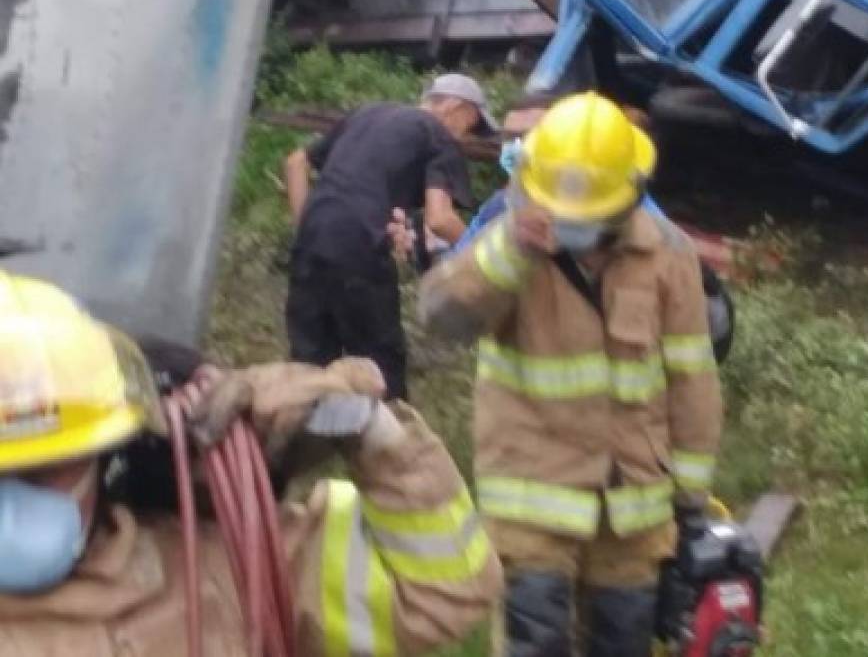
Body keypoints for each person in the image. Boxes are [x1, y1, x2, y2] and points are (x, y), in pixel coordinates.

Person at [0, 270, 501, 656]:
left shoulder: (226, 566)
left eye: (40, 468)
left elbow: (445, 594)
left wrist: (372, 433)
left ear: (102, 454)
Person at [419, 92, 724, 657]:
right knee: (534, 644)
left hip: (633, 511)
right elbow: (441, 316)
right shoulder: (506, 240)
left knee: (622, 644)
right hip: (531, 506)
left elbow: (692, 383)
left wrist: (690, 503)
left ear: (628, 194)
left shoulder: (668, 256)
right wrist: (513, 252)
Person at [451, 92, 736, 364]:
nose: (519, 147)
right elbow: (455, 289)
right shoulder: (500, 208)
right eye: (511, 138)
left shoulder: (630, 210)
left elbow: (703, 332)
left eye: (532, 137)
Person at [284, 73, 496, 401]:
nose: (467, 137)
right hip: (359, 250)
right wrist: (486, 251)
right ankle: (389, 441)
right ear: (456, 108)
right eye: (473, 125)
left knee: (308, 368)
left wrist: (307, 227)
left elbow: (296, 162)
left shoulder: (369, 113)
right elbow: (440, 219)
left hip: (311, 240)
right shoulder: (437, 135)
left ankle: (298, 443)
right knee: (381, 371)